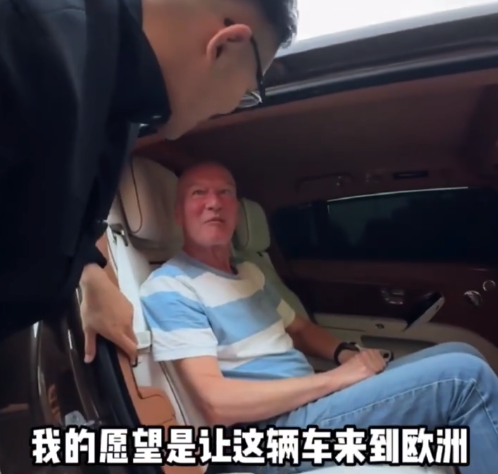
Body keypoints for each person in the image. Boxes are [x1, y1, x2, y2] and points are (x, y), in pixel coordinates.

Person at [0, 0, 297, 362]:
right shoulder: (20, 21)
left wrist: (88, 272)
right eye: (249, 90)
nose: (233, 105)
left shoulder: (120, 104)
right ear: (226, 45)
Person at [140, 161, 498, 473]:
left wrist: (345, 354)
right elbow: (216, 403)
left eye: (225, 192)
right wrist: (335, 380)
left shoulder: (248, 272)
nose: (214, 202)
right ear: (178, 214)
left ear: (236, 208)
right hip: (273, 433)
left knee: (464, 352)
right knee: (466, 378)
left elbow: (299, 329)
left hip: (308, 404)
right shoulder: (171, 287)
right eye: (198, 193)